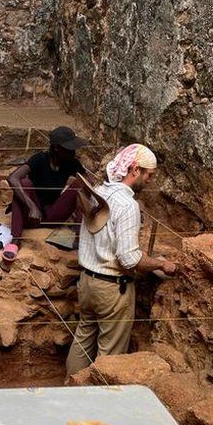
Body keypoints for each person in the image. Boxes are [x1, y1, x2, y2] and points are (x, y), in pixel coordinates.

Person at [66, 143, 179, 376]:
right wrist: (160, 263)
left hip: (87, 283)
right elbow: (128, 259)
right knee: (110, 356)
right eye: (149, 175)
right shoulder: (128, 206)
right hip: (112, 289)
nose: (149, 181)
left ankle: (70, 386)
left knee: (83, 339)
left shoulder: (99, 191)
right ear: (135, 169)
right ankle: (101, 406)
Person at [3, 126, 87, 260]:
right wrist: (31, 206)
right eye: (69, 149)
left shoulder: (72, 163)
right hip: (32, 216)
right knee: (24, 184)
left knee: (80, 184)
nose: (73, 152)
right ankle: (16, 240)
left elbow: (88, 182)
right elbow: (13, 178)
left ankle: (79, 237)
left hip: (52, 214)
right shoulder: (40, 159)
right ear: (56, 148)